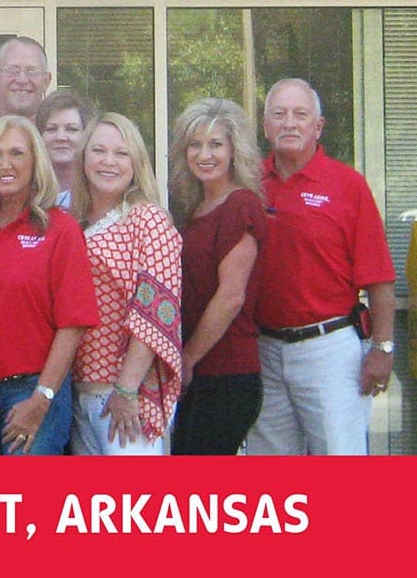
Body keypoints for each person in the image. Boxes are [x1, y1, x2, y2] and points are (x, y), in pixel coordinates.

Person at [247, 78, 396, 455]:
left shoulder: (348, 185)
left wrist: (383, 348)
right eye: (279, 114)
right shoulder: (248, 184)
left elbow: (379, 278)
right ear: (265, 126)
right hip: (263, 350)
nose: (289, 123)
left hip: (328, 349)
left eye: (300, 114)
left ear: (318, 126)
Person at [0, 115, 98, 455]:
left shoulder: (60, 229)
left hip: (32, 391)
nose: (5, 164)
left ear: (35, 161)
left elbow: (72, 325)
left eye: (16, 153)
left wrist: (42, 399)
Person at [69, 112, 182, 456]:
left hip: (125, 400)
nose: (109, 161)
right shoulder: (74, 222)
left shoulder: (147, 219)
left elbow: (155, 311)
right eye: (99, 151)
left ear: (136, 163)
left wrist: (127, 390)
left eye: (121, 153)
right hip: (79, 395)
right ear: (83, 157)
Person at [168, 98, 268, 455]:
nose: (204, 154)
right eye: (195, 145)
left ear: (233, 150)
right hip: (201, 372)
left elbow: (230, 297)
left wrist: (188, 358)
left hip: (228, 374)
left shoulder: (240, 204)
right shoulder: (196, 208)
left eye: (215, 144)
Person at [36, 88, 94, 210]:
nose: (61, 137)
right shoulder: (27, 191)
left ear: (86, 134)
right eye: (51, 129)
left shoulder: (97, 191)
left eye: (71, 129)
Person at [0, 36, 52, 123]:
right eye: (13, 70)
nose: (22, 80)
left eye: (31, 71)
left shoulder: (61, 131)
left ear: (46, 81)